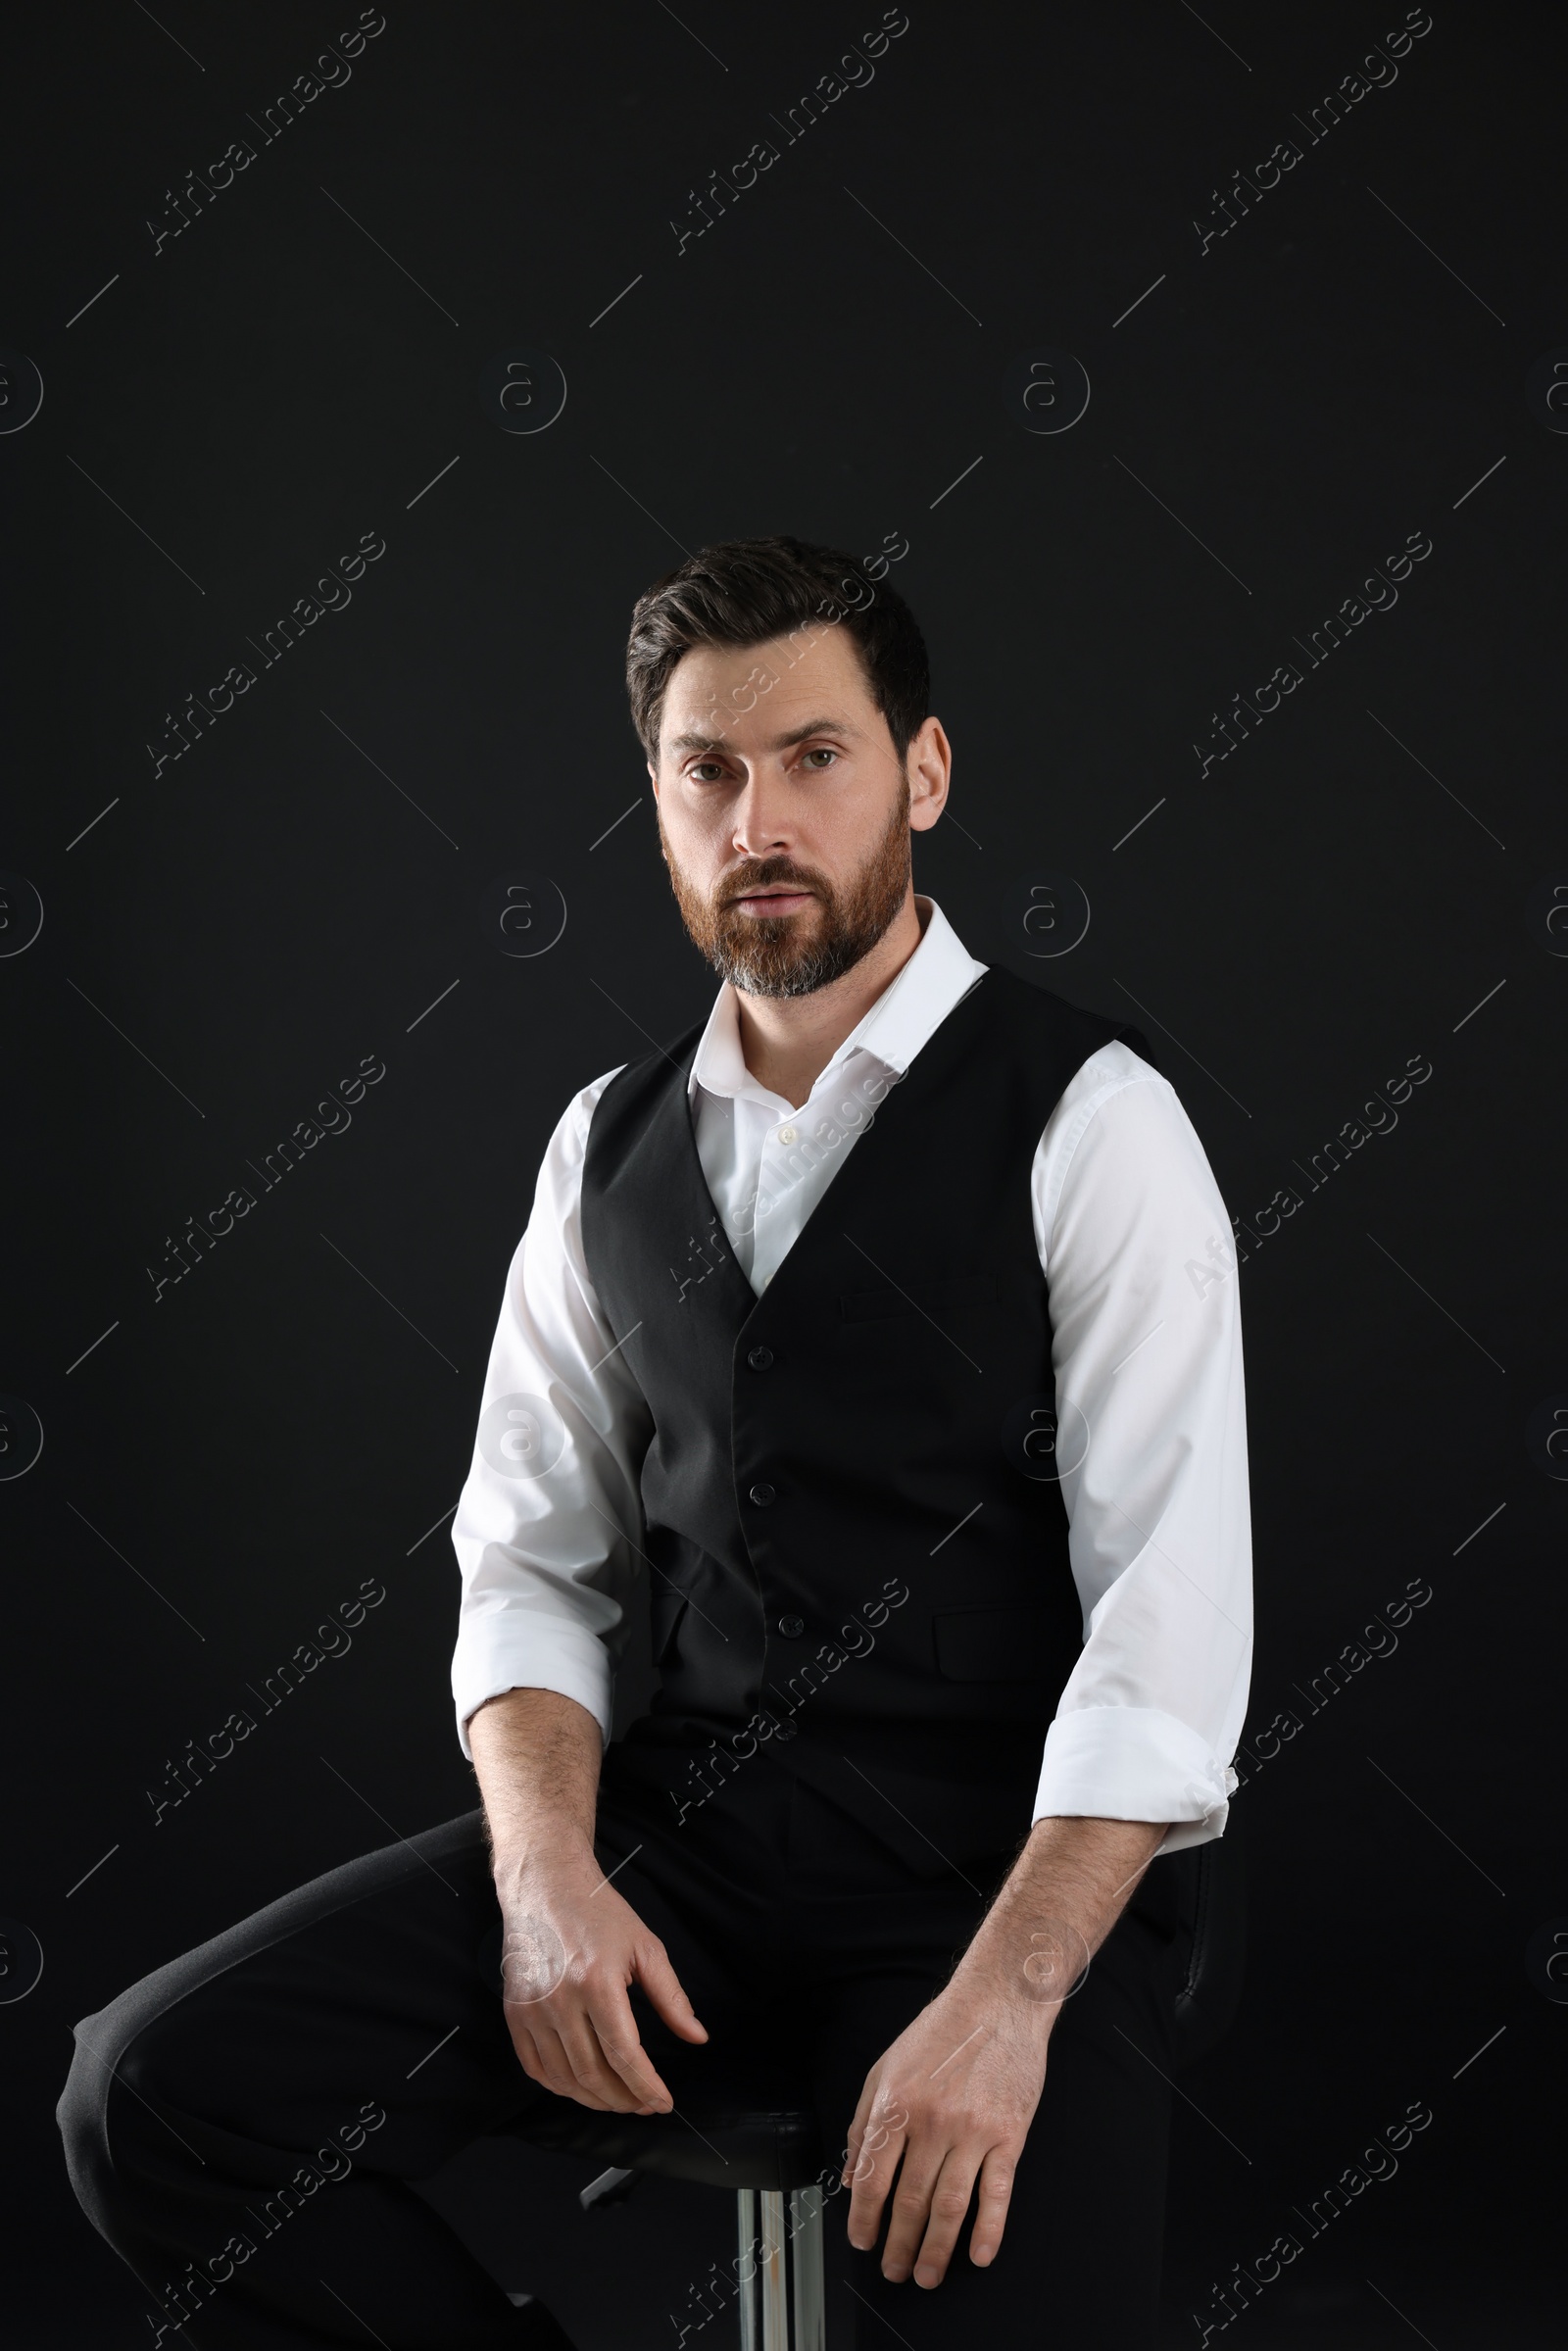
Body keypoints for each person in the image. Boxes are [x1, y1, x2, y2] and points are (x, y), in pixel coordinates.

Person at [59, 536, 1253, 2347]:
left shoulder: (1091, 1118)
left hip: (992, 1884)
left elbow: (1170, 1638)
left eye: (815, 757)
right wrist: (547, 1885)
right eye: (709, 770)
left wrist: (1006, 2004)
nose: (757, 817)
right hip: (681, 1851)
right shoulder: (600, 1145)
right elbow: (529, 1563)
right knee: (151, 2095)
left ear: (921, 773)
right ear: (660, 799)